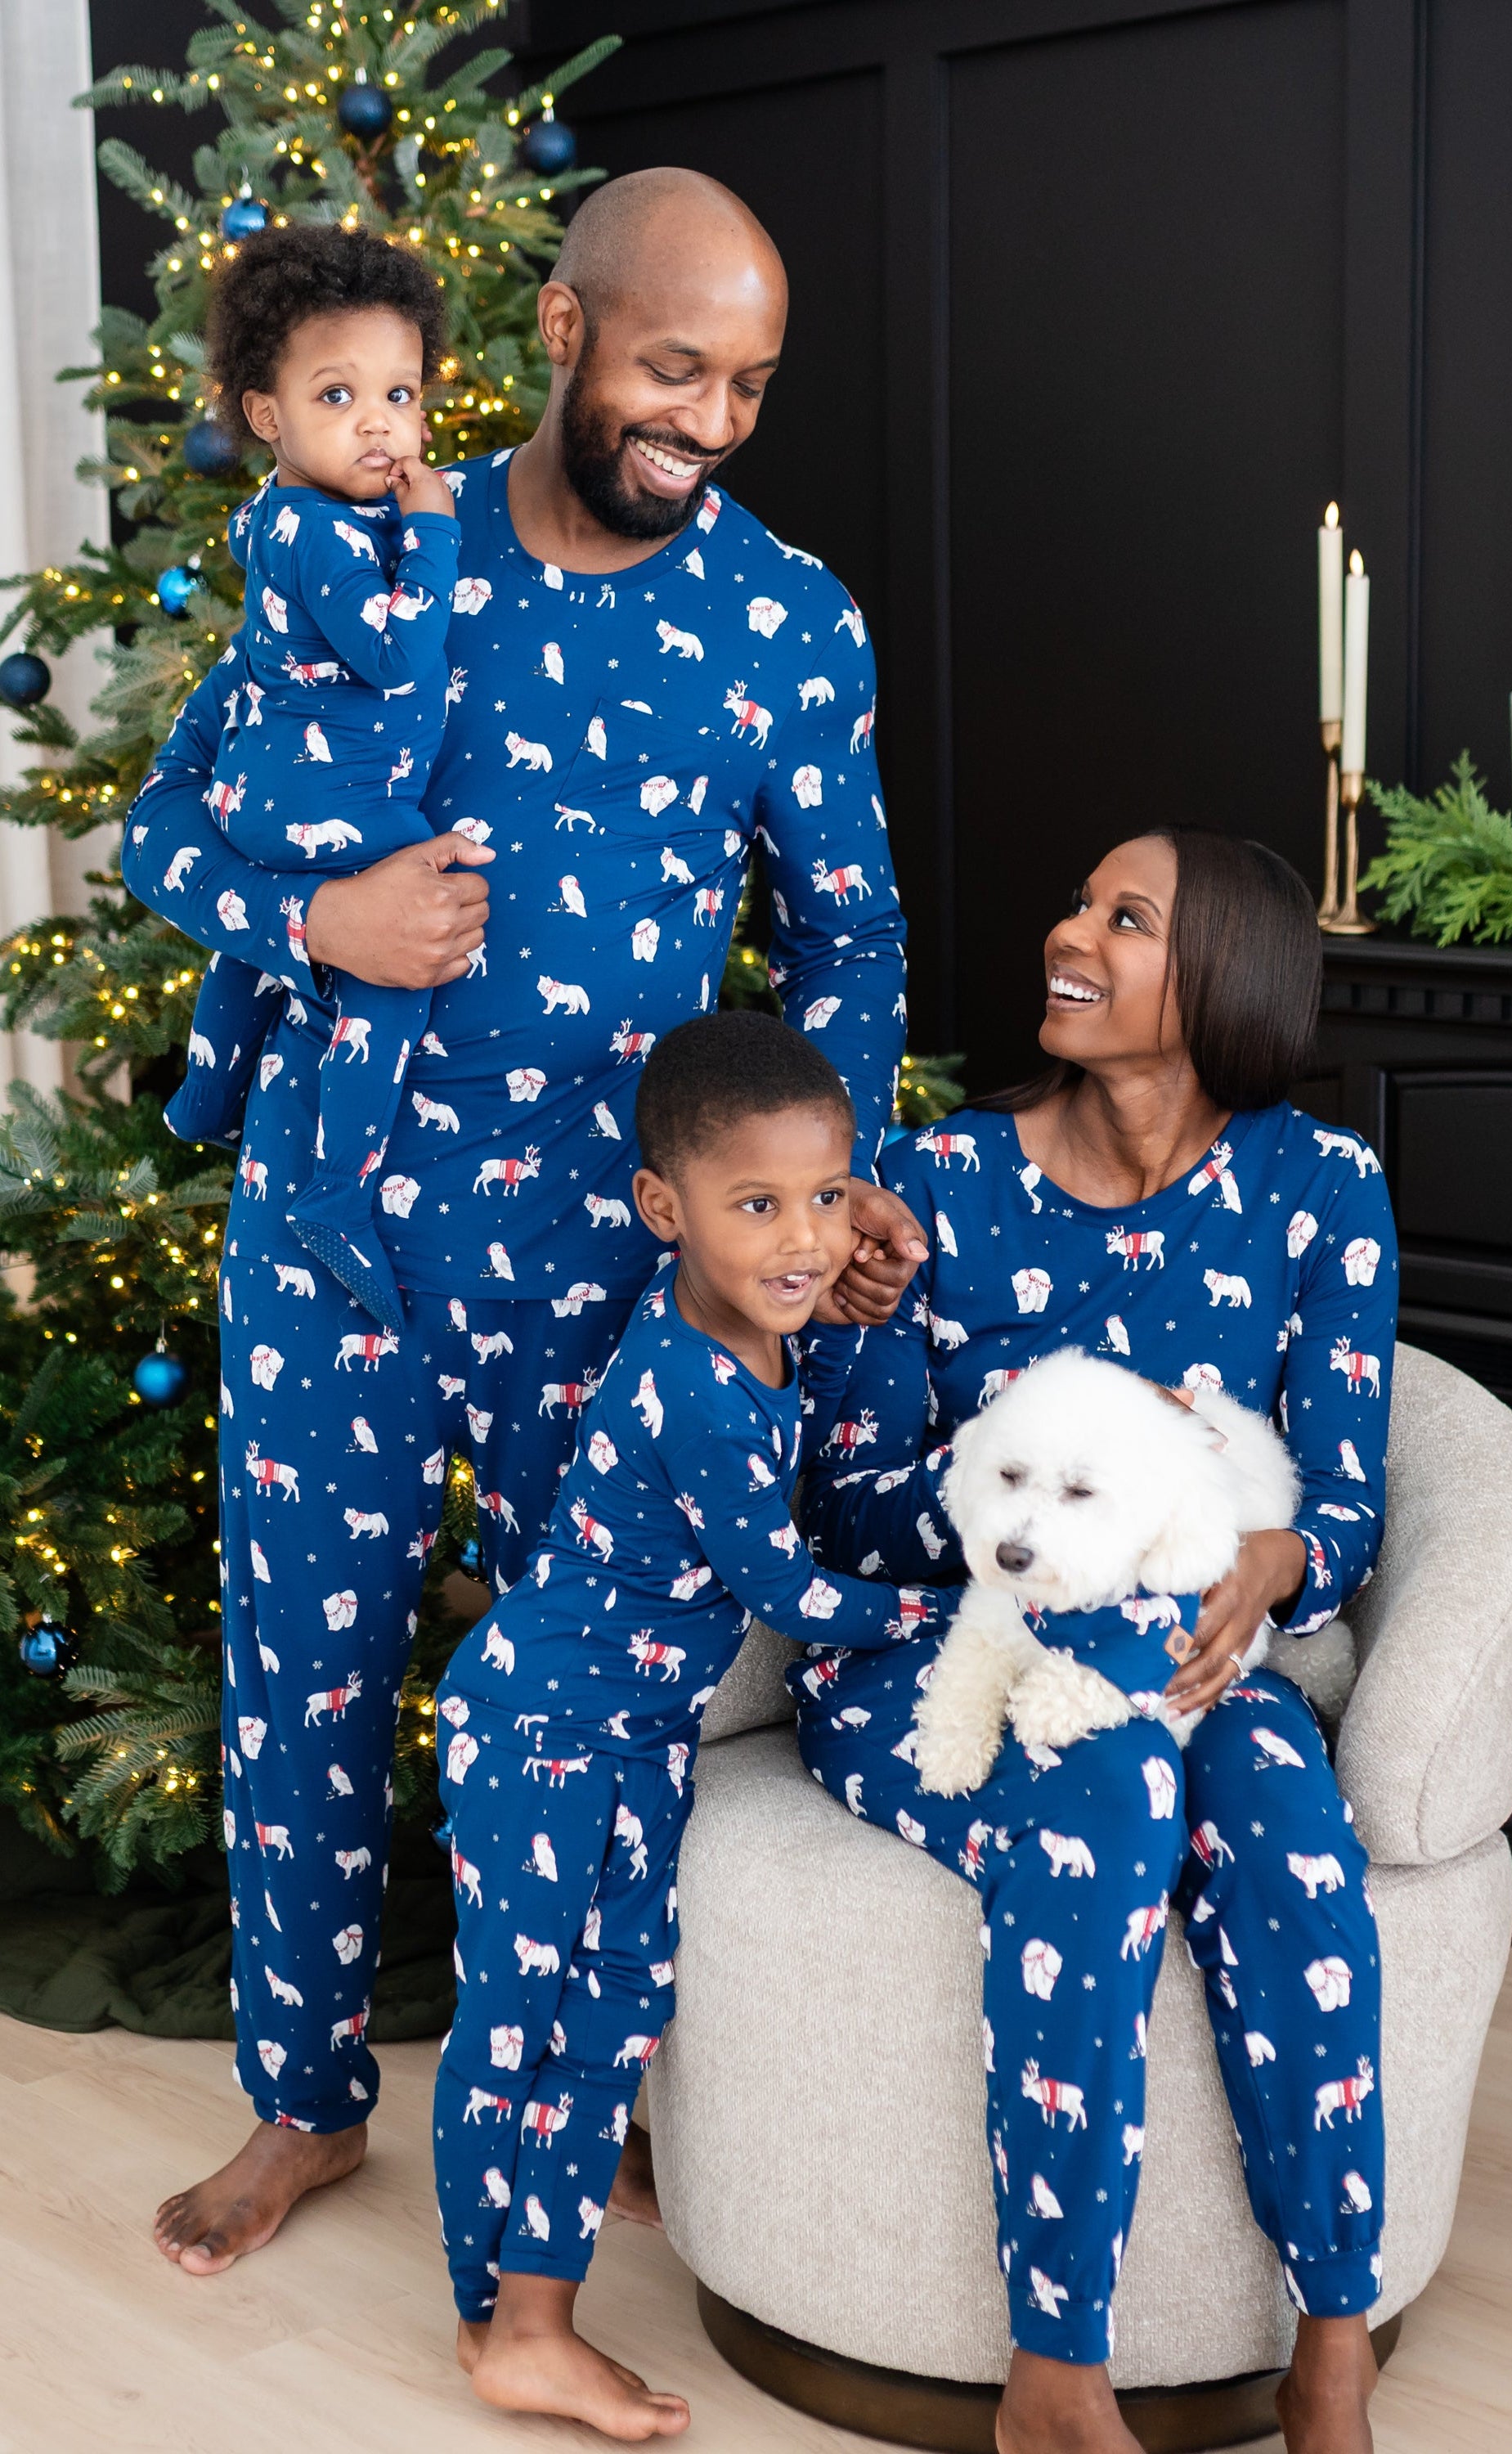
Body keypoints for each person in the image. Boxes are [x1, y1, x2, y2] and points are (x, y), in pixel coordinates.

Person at [131, 167, 927, 2278]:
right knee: (301, 1682)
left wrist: (830, 1194)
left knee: (590, 1711)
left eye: (752, 383)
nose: (717, 419)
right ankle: (302, 2107)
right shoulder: (373, 550)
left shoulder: (786, 617)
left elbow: (852, 945)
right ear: (566, 333)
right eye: (680, 367)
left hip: (609, 1293)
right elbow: (173, 825)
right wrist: (316, 914)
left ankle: (591, 2092)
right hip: (338, 1246)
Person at [796, 829, 1397, 2454]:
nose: (1067, 931)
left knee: (1285, 1837)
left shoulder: (1318, 1188)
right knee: (1105, 1792)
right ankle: (1054, 2373)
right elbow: (854, 1521)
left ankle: (1330, 2340)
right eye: (1079, 901)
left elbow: (1340, 1511)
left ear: (1221, 979)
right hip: (945, 1661)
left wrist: (1269, 1559)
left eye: (1122, 918)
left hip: (1204, 1666)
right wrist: (867, 1341)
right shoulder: (929, 1186)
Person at [433, 1012, 949, 2438]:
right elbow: (783, 1582)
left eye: (829, 1194)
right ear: (665, 1209)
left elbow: (811, 1391)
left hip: (635, 1733)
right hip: (544, 1726)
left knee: (616, 2002)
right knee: (519, 2016)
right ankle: (504, 2323)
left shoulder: (740, 1320)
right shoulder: (694, 1390)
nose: (804, 1237)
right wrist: (950, 1618)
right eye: (760, 1204)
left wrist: (851, 1308)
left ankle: (547, 2250)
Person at [166, 222, 462, 1325]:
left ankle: (204, 1092)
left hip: (271, 792)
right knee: (399, 953)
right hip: (332, 802)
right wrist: (431, 535)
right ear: (266, 415)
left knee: (259, 960)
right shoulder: (327, 533)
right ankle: (336, 1189)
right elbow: (392, 652)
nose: (383, 422)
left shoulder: (290, 522)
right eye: (338, 397)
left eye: (401, 392)